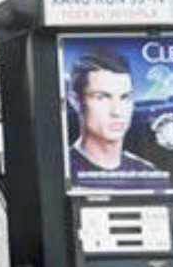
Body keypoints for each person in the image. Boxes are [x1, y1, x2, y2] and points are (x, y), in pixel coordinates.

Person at [66, 49, 164, 188]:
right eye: (102, 97)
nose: (117, 111)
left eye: (125, 97)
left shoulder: (152, 176)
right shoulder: (61, 170)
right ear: (75, 101)